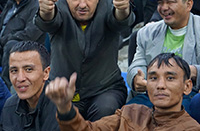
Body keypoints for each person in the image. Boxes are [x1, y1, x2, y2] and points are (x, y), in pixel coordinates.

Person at [34, 0, 135, 121]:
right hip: (62, 90)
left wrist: (123, 7)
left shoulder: (108, 5)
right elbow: (48, 19)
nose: (82, 4)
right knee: (54, 117)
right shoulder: (59, 8)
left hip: (105, 89)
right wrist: (45, 9)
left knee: (105, 111)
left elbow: (120, 18)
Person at [45, 53, 200, 130]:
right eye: (153, 78)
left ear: (187, 86)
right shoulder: (131, 113)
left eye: (170, 78)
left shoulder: (190, 128)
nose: (160, 85)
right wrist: (65, 108)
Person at [127, 0, 200, 113]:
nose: (164, 7)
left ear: (189, 5)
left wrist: (192, 71)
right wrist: (137, 78)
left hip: (188, 95)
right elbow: (137, 63)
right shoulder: (147, 32)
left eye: (171, 2)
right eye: (160, 2)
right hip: (152, 93)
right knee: (129, 114)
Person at [0, 0, 45, 90]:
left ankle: (6, 88)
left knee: (11, 45)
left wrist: (5, 39)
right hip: (3, 48)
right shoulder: (10, 4)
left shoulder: (36, 7)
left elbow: (30, 34)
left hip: (23, 52)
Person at [0, 41, 60, 130]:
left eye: (28, 69)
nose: (20, 78)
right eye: (14, 71)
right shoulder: (9, 107)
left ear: (46, 73)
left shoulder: (62, 108)